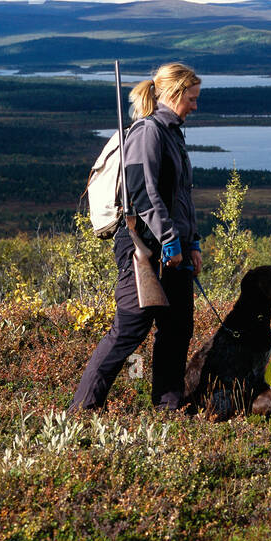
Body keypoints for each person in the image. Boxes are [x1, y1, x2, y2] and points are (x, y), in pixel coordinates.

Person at [70, 63, 202, 412]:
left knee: (177, 329)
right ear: (174, 95)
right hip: (143, 247)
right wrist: (170, 241)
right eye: (191, 98)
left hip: (173, 249)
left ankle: (168, 406)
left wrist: (193, 243)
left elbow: (181, 198)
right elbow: (142, 195)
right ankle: (81, 409)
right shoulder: (149, 133)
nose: (195, 105)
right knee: (130, 328)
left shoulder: (173, 133)